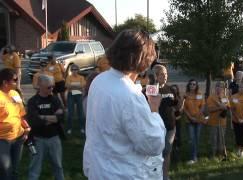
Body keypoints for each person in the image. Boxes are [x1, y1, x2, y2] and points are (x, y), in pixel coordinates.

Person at [83, 29, 166, 179]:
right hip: (124, 173)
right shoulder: (130, 95)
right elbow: (153, 144)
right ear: (144, 61)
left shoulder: (99, 81)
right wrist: (154, 109)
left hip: (99, 170)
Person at [27, 75, 65, 180]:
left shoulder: (55, 99)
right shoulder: (32, 101)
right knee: (34, 168)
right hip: (38, 139)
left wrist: (42, 117)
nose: (52, 89)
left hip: (54, 138)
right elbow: (33, 121)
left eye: (52, 86)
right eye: (49, 87)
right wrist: (53, 118)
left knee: (58, 166)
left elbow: (61, 117)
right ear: (40, 86)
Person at [0, 68, 30, 180]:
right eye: (14, 79)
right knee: (5, 169)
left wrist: (26, 127)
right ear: (5, 82)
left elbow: (20, 113)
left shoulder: (15, 94)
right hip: (3, 139)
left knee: (15, 170)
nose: (17, 81)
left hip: (18, 137)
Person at [206, 81, 230, 160]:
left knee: (221, 139)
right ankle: (212, 155)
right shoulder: (211, 97)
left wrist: (223, 107)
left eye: (221, 87)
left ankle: (221, 154)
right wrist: (219, 107)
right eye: (217, 86)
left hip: (222, 122)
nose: (219, 88)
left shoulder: (225, 97)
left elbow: (227, 107)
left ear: (223, 89)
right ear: (215, 88)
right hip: (213, 122)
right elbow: (209, 109)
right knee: (214, 139)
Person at [184, 79, 205, 164]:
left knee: (197, 139)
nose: (192, 85)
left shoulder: (199, 95)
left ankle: (195, 156)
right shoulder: (186, 95)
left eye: (194, 84)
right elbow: (184, 108)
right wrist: (190, 117)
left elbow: (203, 106)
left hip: (198, 119)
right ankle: (193, 157)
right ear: (188, 85)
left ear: (196, 86)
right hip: (189, 120)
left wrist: (197, 115)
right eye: (191, 84)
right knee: (192, 139)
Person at [65, 64, 86, 134]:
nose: (74, 71)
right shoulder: (68, 77)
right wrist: (78, 86)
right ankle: (69, 128)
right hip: (71, 94)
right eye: (73, 70)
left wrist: (72, 85)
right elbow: (67, 86)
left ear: (78, 70)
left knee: (81, 112)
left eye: (76, 69)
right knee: (70, 112)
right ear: (71, 71)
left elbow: (83, 85)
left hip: (79, 94)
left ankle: (82, 127)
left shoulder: (81, 77)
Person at [171, 84, 184, 161]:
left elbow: (180, 110)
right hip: (170, 121)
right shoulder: (168, 98)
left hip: (178, 120)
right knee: (171, 139)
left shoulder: (179, 98)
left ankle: (177, 157)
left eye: (175, 89)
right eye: (172, 89)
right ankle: (171, 156)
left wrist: (178, 111)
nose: (174, 91)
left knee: (178, 139)